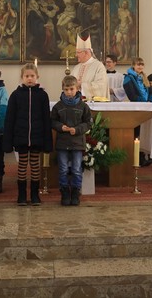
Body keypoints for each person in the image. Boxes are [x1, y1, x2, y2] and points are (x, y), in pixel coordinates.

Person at [4, 63, 52, 206]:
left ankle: (35, 195)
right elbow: (10, 118)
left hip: (37, 136)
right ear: (22, 77)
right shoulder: (16, 95)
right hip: (21, 136)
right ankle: (22, 195)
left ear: (37, 77)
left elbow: (46, 119)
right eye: (27, 76)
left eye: (32, 76)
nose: (29, 78)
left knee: (35, 165)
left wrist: (47, 140)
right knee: (22, 165)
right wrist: (8, 140)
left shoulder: (42, 95)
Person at [51, 75, 91, 206]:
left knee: (76, 169)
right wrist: (60, 127)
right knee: (62, 169)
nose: (69, 92)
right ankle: (64, 192)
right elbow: (52, 121)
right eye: (66, 89)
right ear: (62, 89)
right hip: (62, 142)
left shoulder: (83, 106)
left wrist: (77, 129)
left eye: (72, 89)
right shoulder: (58, 106)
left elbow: (87, 123)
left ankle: (75, 192)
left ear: (77, 88)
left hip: (77, 143)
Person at [72, 35, 108, 100]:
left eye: (78, 52)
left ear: (86, 52)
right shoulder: (76, 68)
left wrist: (82, 85)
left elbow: (101, 86)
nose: (76, 55)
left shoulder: (98, 66)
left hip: (92, 105)